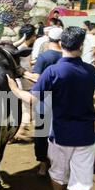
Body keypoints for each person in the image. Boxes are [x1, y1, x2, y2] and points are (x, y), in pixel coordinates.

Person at [7, 26, 95, 190]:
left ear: (60, 45)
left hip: (60, 135)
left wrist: (14, 88)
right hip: (85, 136)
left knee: (58, 173)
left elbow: (32, 99)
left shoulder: (53, 72)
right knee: (82, 185)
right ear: (81, 46)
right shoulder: (91, 71)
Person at [29, 27, 63, 176]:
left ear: (49, 39)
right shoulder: (66, 57)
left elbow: (37, 78)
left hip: (43, 99)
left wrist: (26, 74)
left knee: (41, 133)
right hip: (61, 100)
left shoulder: (44, 57)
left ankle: (43, 165)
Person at [12, 24, 37, 143]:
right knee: (28, 107)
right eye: (34, 35)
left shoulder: (26, 47)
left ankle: (19, 131)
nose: (35, 37)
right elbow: (19, 66)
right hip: (24, 81)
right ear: (30, 36)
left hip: (27, 80)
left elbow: (26, 63)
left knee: (28, 108)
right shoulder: (21, 48)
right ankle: (18, 131)